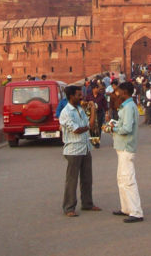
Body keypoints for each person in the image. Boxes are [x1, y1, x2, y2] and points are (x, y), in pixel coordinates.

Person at [58, 85, 101, 216]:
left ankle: (87, 203)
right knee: (72, 180)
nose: (81, 96)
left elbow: (91, 124)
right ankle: (69, 207)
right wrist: (87, 127)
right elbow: (76, 129)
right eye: (78, 95)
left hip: (85, 147)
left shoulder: (80, 109)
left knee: (87, 178)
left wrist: (92, 109)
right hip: (73, 150)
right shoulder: (66, 113)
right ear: (71, 96)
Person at [108, 81, 144, 223]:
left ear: (125, 93)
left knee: (128, 180)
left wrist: (113, 128)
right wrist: (115, 124)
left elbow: (127, 128)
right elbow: (124, 125)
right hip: (122, 146)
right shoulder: (127, 106)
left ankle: (136, 212)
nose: (117, 93)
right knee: (122, 179)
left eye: (118, 91)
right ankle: (126, 208)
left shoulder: (128, 107)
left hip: (126, 147)